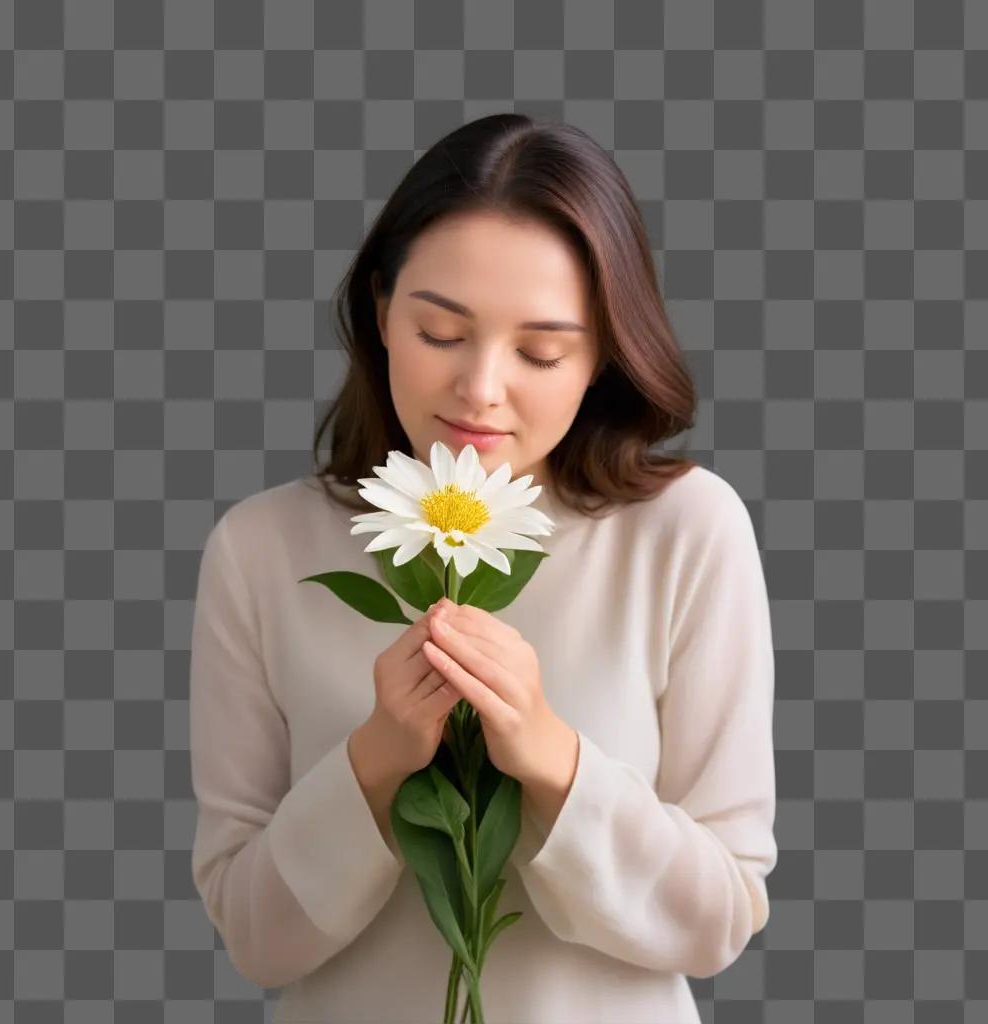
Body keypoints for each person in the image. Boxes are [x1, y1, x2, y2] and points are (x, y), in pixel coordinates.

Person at [189, 113, 777, 1024]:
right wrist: (380, 756)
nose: (480, 389)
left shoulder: (685, 532)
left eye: (541, 351)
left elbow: (719, 920)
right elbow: (256, 939)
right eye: (439, 333)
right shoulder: (262, 550)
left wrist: (548, 752)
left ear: (602, 356)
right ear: (382, 310)